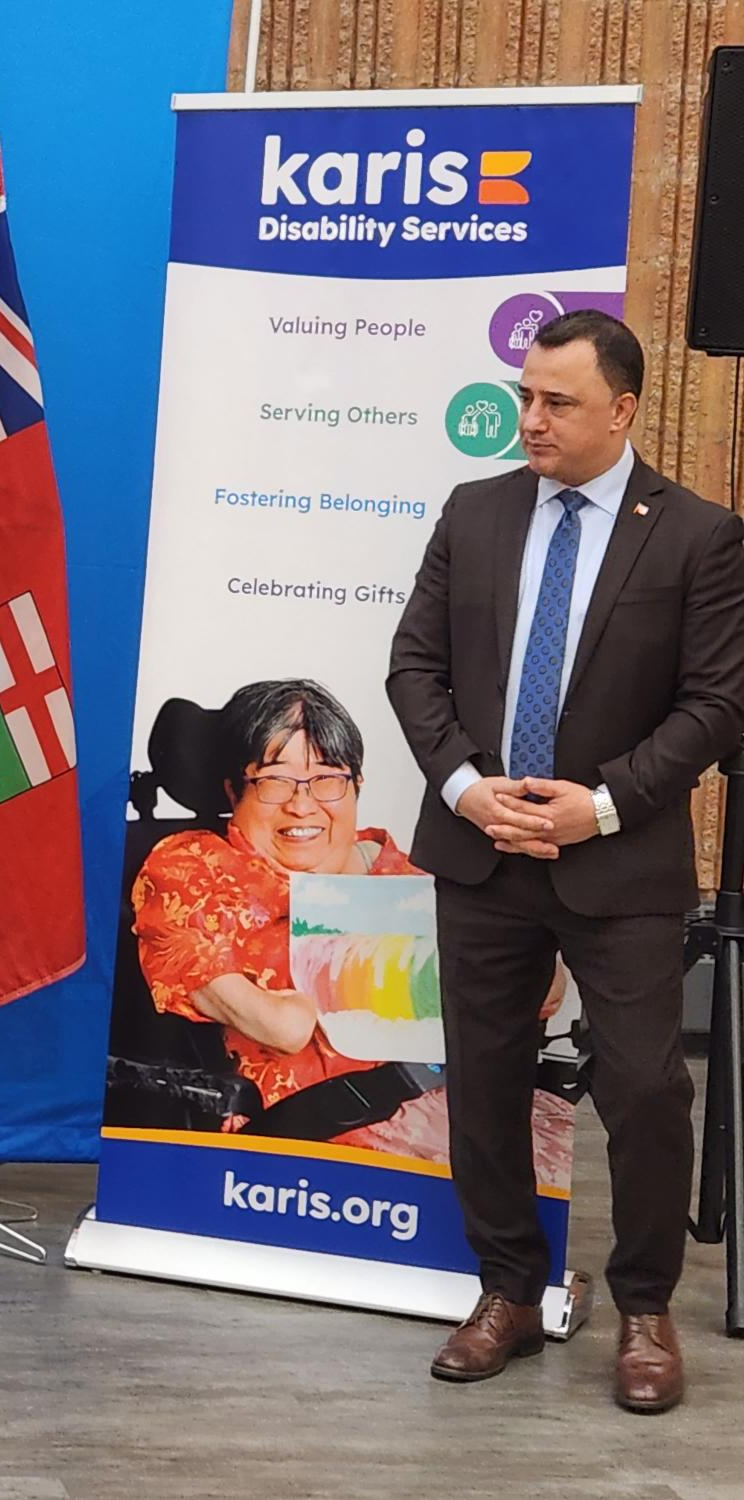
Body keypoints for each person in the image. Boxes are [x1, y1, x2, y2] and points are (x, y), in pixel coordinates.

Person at [388, 309, 744, 1413]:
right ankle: (505, 1290)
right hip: (481, 851)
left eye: (555, 402)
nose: (527, 419)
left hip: (616, 861)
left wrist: (598, 804)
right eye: (524, 396)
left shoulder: (695, 535)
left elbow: (715, 703)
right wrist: (462, 785)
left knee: (643, 1086)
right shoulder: (474, 510)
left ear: (622, 410)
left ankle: (642, 1307)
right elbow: (414, 666)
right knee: (483, 1084)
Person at [132, 679, 574, 1164]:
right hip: (331, 1122)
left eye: (327, 779)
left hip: (458, 1094)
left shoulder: (395, 867)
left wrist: (532, 967)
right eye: (274, 780)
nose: (303, 806)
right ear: (233, 789)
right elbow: (281, 1026)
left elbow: (526, 991)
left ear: (356, 785)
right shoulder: (193, 865)